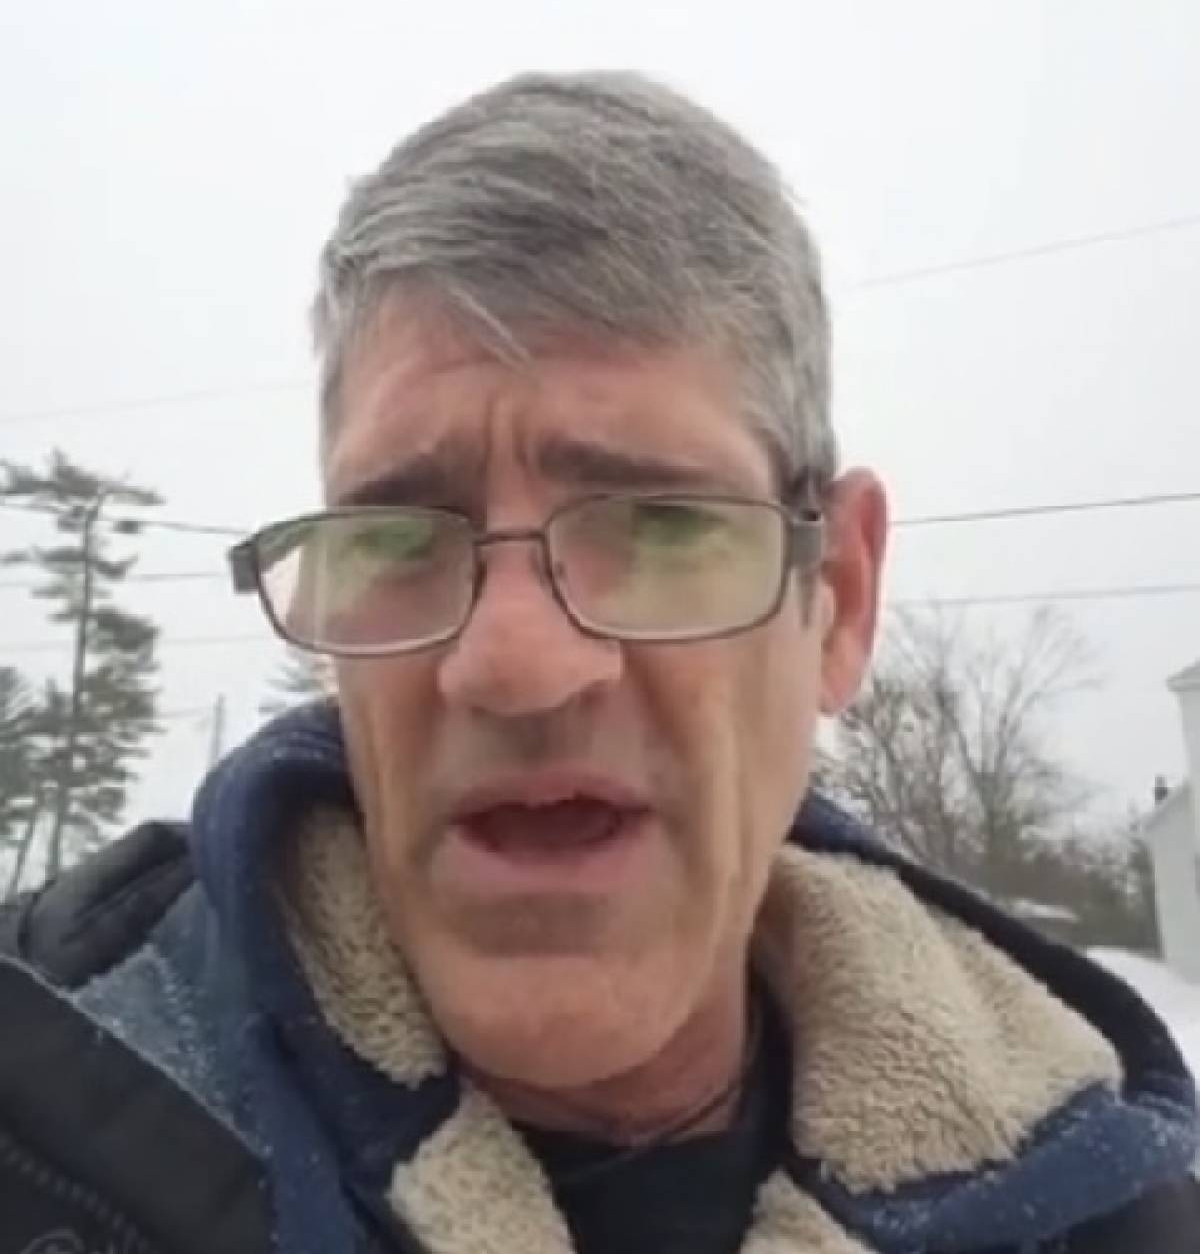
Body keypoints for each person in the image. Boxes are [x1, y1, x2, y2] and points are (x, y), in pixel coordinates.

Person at [1, 72, 1196, 1254]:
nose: (513, 663)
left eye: (658, 524)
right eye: (401, 537)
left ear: (836, 599)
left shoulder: (1116, 1215)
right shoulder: (40, 1111)